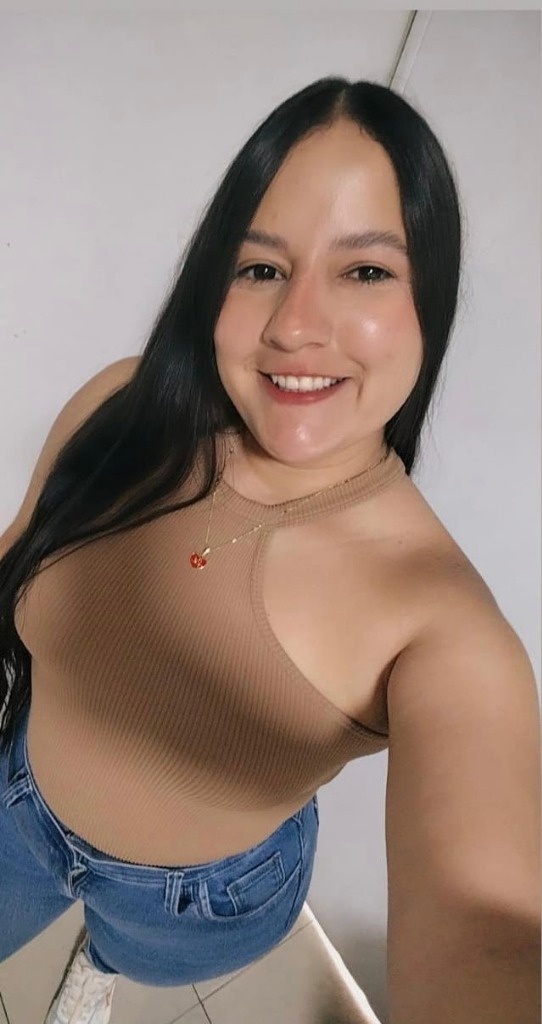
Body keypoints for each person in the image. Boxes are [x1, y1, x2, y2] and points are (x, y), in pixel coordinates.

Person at [1, 77, 539, 1024]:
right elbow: (15, 550)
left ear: (431, 298)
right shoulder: (122, 407)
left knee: (131, 955)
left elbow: (488, 926)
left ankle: (105, 959)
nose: (295, 325)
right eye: (259, 268)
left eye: (364, 271)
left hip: (199, 900)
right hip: (19, 805)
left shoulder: (442, 624)